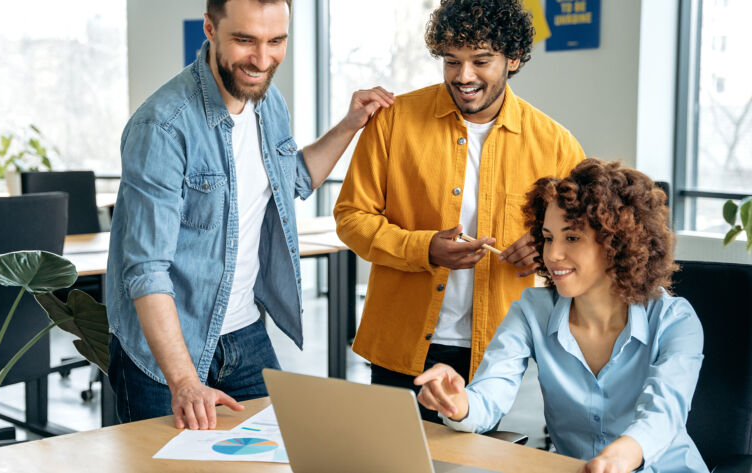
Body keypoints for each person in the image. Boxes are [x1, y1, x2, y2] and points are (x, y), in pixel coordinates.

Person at [106, 0, 394, 430]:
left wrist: (350, 124)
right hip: (167, 351)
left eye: (276, 41)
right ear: (210, 28)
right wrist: (184, 381)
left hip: (243, 331)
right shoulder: (163, 126)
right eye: (245, 41)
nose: (262, 60)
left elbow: (292, 178)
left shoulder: (267, 102)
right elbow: (146, 270)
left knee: (273, 458)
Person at [333, 0, 584, 422]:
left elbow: (584, 239)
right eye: (452, 61)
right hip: (400, 343)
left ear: (514, 59)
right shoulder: (393, 122)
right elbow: (352, 217)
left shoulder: (556, 145)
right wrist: (424, 249)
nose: (463, 76)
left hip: (496, 351)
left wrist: (544, 251)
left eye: (481, 61)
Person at [415, 159, 707, 473]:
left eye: (572, 238)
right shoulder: (531, 311)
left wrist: (618, 459)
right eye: (548, 237)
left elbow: (663, 414)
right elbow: (491, 392)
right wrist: (458, 404)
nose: (552, 254)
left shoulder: (674, 320)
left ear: (616, 243)